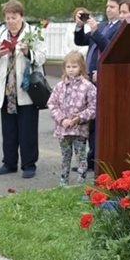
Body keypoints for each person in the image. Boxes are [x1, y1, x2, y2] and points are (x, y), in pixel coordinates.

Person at [0, 0, 47, 179]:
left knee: (27, 129)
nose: (10, 21)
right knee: (8, 129)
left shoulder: (34, 33)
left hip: (25, 89)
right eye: (7, 18)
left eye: (13, 17)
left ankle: (29, 164)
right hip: (7, 90)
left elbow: (42, 57)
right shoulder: (1, 33)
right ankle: (9, 162)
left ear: (21, 16)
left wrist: (27, 52)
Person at [74, 0, 127, 169]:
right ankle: (91, 158)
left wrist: (95, 30)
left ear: (121, 9)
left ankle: (97, 159)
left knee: (100, 122)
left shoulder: (121, 27)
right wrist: (80, 26)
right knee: (90, 121)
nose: (108, 10)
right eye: (107, 7)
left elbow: (109, 47)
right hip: (90, 77)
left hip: (105, 78)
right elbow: (81, 40)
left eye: (112, 7)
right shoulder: (103, 25)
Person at [47, 50, 97, 186]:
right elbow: (52, 104)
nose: (71, 70)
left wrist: (79, 118)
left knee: (80, 155)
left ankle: (81, 182)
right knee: (65, 155)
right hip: (63, 129)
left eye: (74, 67)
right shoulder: (59, 86)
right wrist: (62, 119)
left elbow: (94, 107)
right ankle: (63, 180)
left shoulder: (88, 87)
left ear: (81, 67)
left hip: (79, 129)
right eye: (68, 67)